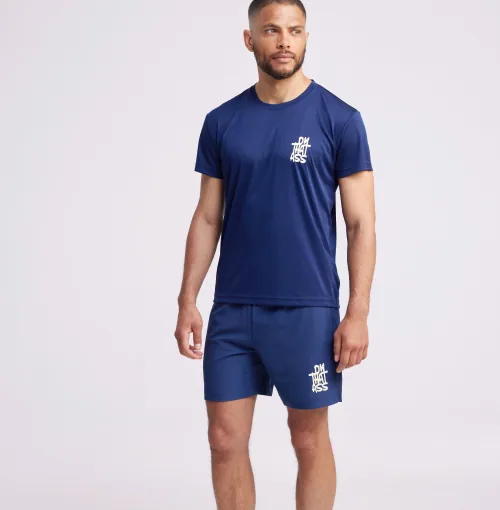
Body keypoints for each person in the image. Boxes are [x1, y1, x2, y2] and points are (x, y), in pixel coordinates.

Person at [174, 0, 376, 508]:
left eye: (295, 30)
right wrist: (187, 299)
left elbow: (361, 224)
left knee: (307, 439)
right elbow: (207, 217)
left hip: (307, 311)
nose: (284, 40)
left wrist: (357, 312)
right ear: (250, 40)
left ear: (306, 38)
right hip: (233, 311)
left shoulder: (340, 120)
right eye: (271, 30)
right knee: (223, 439)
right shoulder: (222, 122)